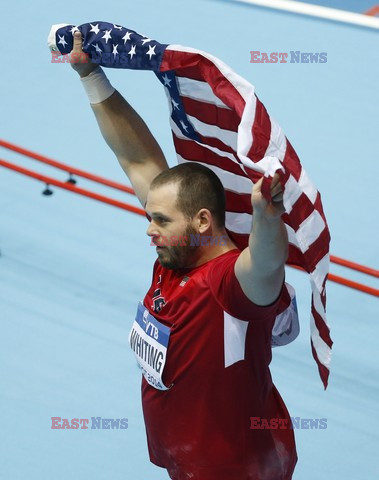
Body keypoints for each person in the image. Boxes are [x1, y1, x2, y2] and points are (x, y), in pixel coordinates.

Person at [68, 31, 297, 480]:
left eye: (161, 221)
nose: (149, 229)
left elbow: (267, 263)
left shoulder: (229, 285)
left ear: (202, 222)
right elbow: (136, 158)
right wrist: (91, 75)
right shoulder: (178, 253)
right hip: (184, 460)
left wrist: (267, 218)